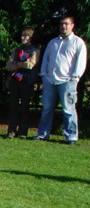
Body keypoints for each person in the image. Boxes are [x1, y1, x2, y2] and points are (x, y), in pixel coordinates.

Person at [35, 16, 87, 145]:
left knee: (68, 110)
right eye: (61, 24)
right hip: (50, 80)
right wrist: (44, 75)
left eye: (66, 24)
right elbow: (46, 59)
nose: (63, 26)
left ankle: (71, 137)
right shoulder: (53, 42)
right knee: (47, 109)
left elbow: (81, 62)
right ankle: (43, 134)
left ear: (72, 25)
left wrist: (75, 77)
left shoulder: (78, 42)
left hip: (68, 81)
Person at [5, 27, 40, 139]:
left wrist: (16, 64)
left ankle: (23, 132)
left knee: (25, 107)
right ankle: (11, 130)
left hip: (27, 81)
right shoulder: (17, 50)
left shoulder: (35, 50)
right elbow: (8, 65)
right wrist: (20, 63)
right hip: (15, 79)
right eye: (22, 35)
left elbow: (30, 65)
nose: (23, 38)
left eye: (26, 36)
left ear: (30, 38)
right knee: (13, 106)